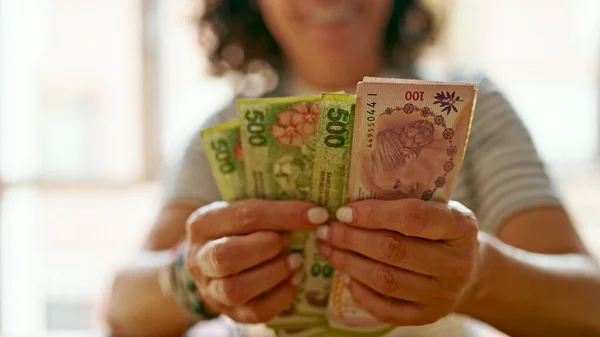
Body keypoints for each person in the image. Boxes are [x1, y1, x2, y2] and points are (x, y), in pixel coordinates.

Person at [104, 0, 600, 336]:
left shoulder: (479, 111)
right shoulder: (224, 132)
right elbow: (121, 309)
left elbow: (588, 305)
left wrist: (478, 277)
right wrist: (192, 276)